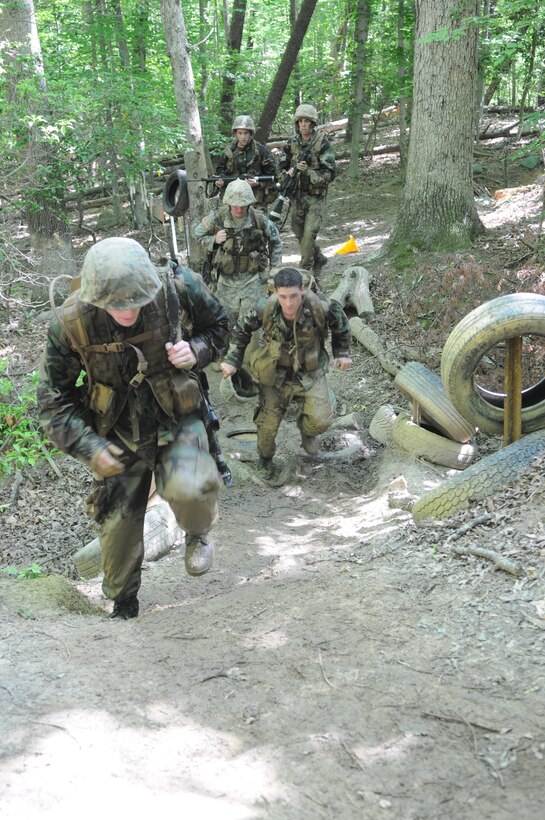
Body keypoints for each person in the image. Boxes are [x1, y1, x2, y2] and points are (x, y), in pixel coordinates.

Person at [37, 237, 229, 620]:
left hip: (176, 413)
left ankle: (198, 532)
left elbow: (220, 327)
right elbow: (53, 401)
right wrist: (89, 447)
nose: (128, 311)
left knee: (191, 486)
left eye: (136, 301)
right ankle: (124, 603)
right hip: (116, 430)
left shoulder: (177, 288)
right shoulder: (71, 323)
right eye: (116, 305)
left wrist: (198, 349)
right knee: (118, 533)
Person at [220, 267, 352, 475]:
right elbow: (240, 330)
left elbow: (341, 325)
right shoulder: (264, 308)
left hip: (310, 372)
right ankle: (265, 459)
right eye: (283, 297)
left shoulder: (321, 306)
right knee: (267, 426)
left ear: (302, 290)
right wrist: (232, 360)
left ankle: (307, 432)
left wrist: (342, 352)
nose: (289, 303)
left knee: (321, 421)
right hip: (275, 375)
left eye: (293, 296)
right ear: (275, 293)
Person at [194, 178, 283, 333]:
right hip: (225, 281)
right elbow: (197, 234)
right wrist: (213, 239)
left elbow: (276, 241)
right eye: (235, 205)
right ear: (228, 203)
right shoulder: (218, 216)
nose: (239, 210)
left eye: (243, 206)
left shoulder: (258, 218)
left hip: (251, 279)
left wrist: (275, 270)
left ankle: (251, 354)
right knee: (226, 323)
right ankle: (227, 354)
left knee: (251, 323)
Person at [279, 104, 336, 278]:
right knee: (298, 232)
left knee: (309, 234)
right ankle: (318, 257)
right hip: (297, 196)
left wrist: (308, 172)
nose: (303, 125)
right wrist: (287, 172)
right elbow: (281, 165)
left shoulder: (322, 142)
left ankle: (303, 274)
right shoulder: (292, 143)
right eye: (301, 121)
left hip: (314, 197)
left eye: (307, 121)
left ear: (312, 123)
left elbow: (330, 173)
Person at [215, 115, 278, 213]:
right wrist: (220, 182)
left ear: (251, 133)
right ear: (235, 133)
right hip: (234, 199)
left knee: (260, 224)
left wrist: (258, 183)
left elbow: (273, 175)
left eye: (246, 133)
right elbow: (220, 171)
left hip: (256, 199)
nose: (243, 137)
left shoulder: (261, 151)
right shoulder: (228, 152)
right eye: (240, 133)